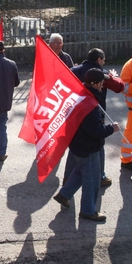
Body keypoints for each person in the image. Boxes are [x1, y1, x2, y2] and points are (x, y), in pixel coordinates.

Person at [53, 68, 120, 222]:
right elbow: (95, 131)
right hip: (87, 147)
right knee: (92, 180)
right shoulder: (90, 103)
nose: (103, 85)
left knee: (79, 171)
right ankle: (88, 210)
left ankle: (64, 194)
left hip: (77, 145)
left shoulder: (80, 95)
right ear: (96, 84)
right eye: (102, 82)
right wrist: (112, 128)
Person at [65, 48, 124, 187]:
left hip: (73, 114)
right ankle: (100, 176)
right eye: (103, 60)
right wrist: (111, 76)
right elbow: (119, 86)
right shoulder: (100, 75)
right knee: (99, 144)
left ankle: (68, 178)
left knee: (75, 147)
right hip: (94, 112)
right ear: (98, 60)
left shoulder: (73, 70)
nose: (104, 62)